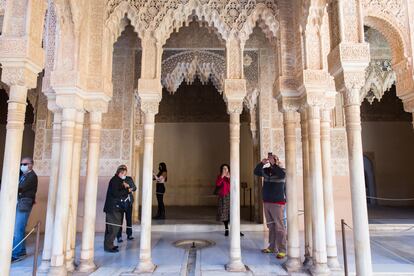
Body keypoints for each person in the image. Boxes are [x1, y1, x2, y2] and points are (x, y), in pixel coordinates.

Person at [254, 153, 287, 259]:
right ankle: (272, 247)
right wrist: (261, 163)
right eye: (270, 159)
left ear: (277, 160)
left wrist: (274, 164)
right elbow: (256, 172)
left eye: (274, 159)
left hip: (277, 202)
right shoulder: (267, 171)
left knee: (279, 227)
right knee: (271, 225)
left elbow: (282, 175)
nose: (271, 160)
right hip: (267, 201)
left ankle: (282, 250)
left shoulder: (282, 171)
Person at [12, 157, 38, 262]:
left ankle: (15, 254)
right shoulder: (24, 175)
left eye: (25, 164)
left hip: (24, 204)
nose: (22, 166)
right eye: (21, 164)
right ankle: (21, 251)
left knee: (17, 229)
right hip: (21, 202)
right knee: (20, 228)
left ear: (31, 164)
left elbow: (21, 188)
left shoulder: (32, 176)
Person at [103, 165, 130, 253]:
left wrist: (125, 186)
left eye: (125, 174)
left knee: (113, 227)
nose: (124, 175)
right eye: (123, 174)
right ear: (119, 173)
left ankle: (109, 245)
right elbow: (116, 193)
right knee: (113, 227)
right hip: (112, 208)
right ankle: (108, 246)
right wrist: (127, 190)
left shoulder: (118, 180)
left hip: (115, 207)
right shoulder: (115, 181)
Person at [116, 165, 137, 243]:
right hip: (120, 203)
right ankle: (119, 236)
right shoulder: (117, 180)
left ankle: (129, 234)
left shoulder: (129, 179)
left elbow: (134, 188)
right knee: (119, 220)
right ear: (120, 172)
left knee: (129, 219)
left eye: (125, 171)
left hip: (128, 202)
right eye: (123, 172)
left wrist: (129, 187)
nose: (124, 173)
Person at [216, 164, 231, 236]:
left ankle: (237, 230)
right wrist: (222, 176)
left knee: (232, 213)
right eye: (223, 168)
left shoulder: (231, 175)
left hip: (231, 196)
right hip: (223, 196)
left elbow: (234, 184)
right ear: (221, 170)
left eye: (226, 168)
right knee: (224, 213)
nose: (225, 170)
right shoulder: (220, 176)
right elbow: (218, 184)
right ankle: (226, 228)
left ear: (228, 169)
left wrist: (229, 178)